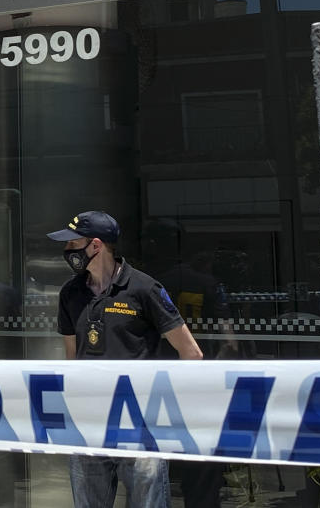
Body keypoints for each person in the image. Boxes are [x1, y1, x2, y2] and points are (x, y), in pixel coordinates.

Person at [48, 211, 203, 508]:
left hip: (141, 424)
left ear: (95, 245)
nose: (67, 252)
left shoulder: (144, 289)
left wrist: (172, 411)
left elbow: (191, 353)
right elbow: (72, 359)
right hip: (89, 424)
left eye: (72, 244)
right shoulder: (70, 293)